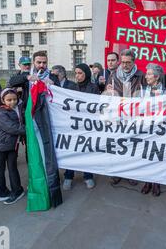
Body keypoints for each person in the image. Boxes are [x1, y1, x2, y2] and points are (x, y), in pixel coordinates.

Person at [106, 49, 146, 186]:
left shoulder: (141, 75)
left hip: (134, 117)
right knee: (118, 145)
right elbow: (106, 93)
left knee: (132, 145)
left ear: (134, 62)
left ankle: (131, 174)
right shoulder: (113, 75)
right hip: (118, 117)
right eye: (122, 62)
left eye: (128, 63)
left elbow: (147, 96)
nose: (125, 65)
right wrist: (108, 90)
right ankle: (117, 173)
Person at [62, 63, 100, 191]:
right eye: (76, 73)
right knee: (71, 150)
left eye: (80, 73)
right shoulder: (71, 87)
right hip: (73, 125)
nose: (77, 76)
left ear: (86, 74)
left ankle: (88, 176)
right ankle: (68, 176)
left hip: (87, 126)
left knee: (86, 151)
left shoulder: (93, 87)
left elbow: (96, 106)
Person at [137, 63, 166, 197]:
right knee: (146, 155)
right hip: (146, 128)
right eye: (146, 74)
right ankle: (147, 182)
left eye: (149, 74)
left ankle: (156, 182)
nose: (146, 76)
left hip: (159, 129)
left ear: (157, 77)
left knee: (157, 156)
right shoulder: (142, 91)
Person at [0, 88, 25, 205]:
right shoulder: (2, 112)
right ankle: (7, 192)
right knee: (4, 169)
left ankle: (6, 192)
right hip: (2, 146)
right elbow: (13, 128)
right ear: (3, 100)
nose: (12, 102)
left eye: (14, 99)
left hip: (8, 145)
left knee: (9, 168)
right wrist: (31, 130)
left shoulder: (14, 109)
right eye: (9, 100)